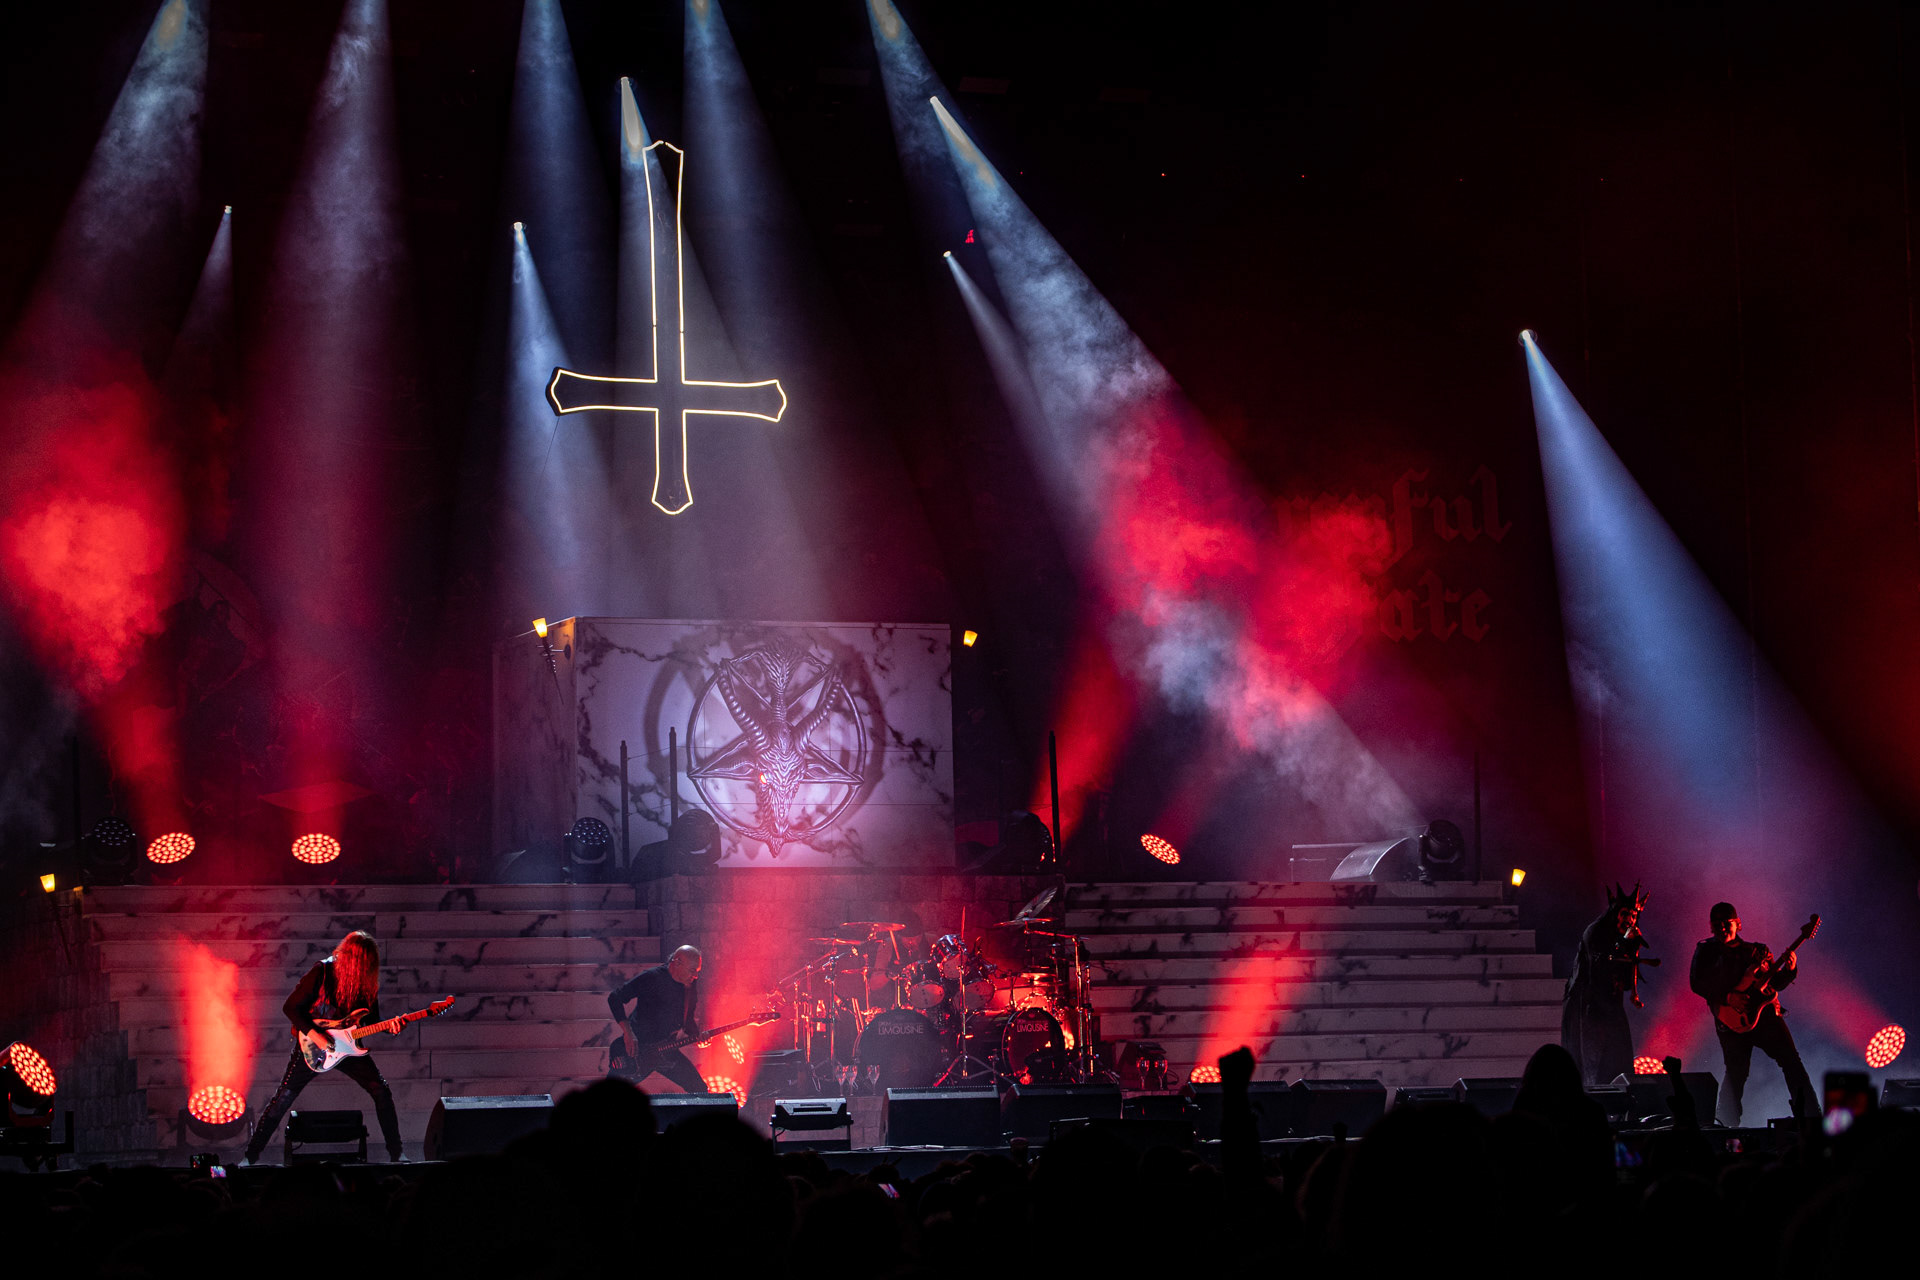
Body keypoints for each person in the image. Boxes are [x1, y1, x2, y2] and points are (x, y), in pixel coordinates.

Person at [242, 930, 404, 1164]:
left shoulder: (367, 983)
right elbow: (290, 1008)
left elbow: (371, 1021)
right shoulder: (322, 971)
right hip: (314, 1046)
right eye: (361, 963)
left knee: (381, 1091)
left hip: (349, 1048)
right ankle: (250, 1156)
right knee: (283, 1099)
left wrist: (391, 1027)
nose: (364, 969)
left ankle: (398, 1154)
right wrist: (314, 1034)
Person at [1688, 902, 1817, 1126]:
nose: (1722, 929)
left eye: (1726, 924)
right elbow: (1696, 983)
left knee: (1791, 1061)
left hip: (1764, 1018)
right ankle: (1725, 1124)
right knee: (1736, 1072)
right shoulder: (1705, 950)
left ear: (1738, 924)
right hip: (1729, 1020)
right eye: (1716, 925)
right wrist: (1728, 998)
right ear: (1711, 927)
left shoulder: (1757, 951)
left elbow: (1775, 984)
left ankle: (1810, 1117)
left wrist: (1790, 969)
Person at [1561, 882, 1649, 1085]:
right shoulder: (1596, 932)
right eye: (1625, 914)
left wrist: (1633, 991)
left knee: (1619, 1057)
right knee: (1591, 1062)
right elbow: (1598, 965)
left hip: (1611, 1003)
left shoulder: (1625, 936)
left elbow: (1627, 974)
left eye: (1633, 916)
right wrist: (1623, 943)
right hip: (1588, 1005)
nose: (1630, 920)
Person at [608, 944, 709, 1093]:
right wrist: (628, 1033)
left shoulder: (690, 986)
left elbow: (687, 1022)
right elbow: (615, 997)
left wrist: (698, 1036)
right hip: (637, 1052)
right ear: (677, 962)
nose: (695, 976)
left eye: (697, 971)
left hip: (666, 1051)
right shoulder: (651, 977)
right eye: (692, 970)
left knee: (699, 1089)